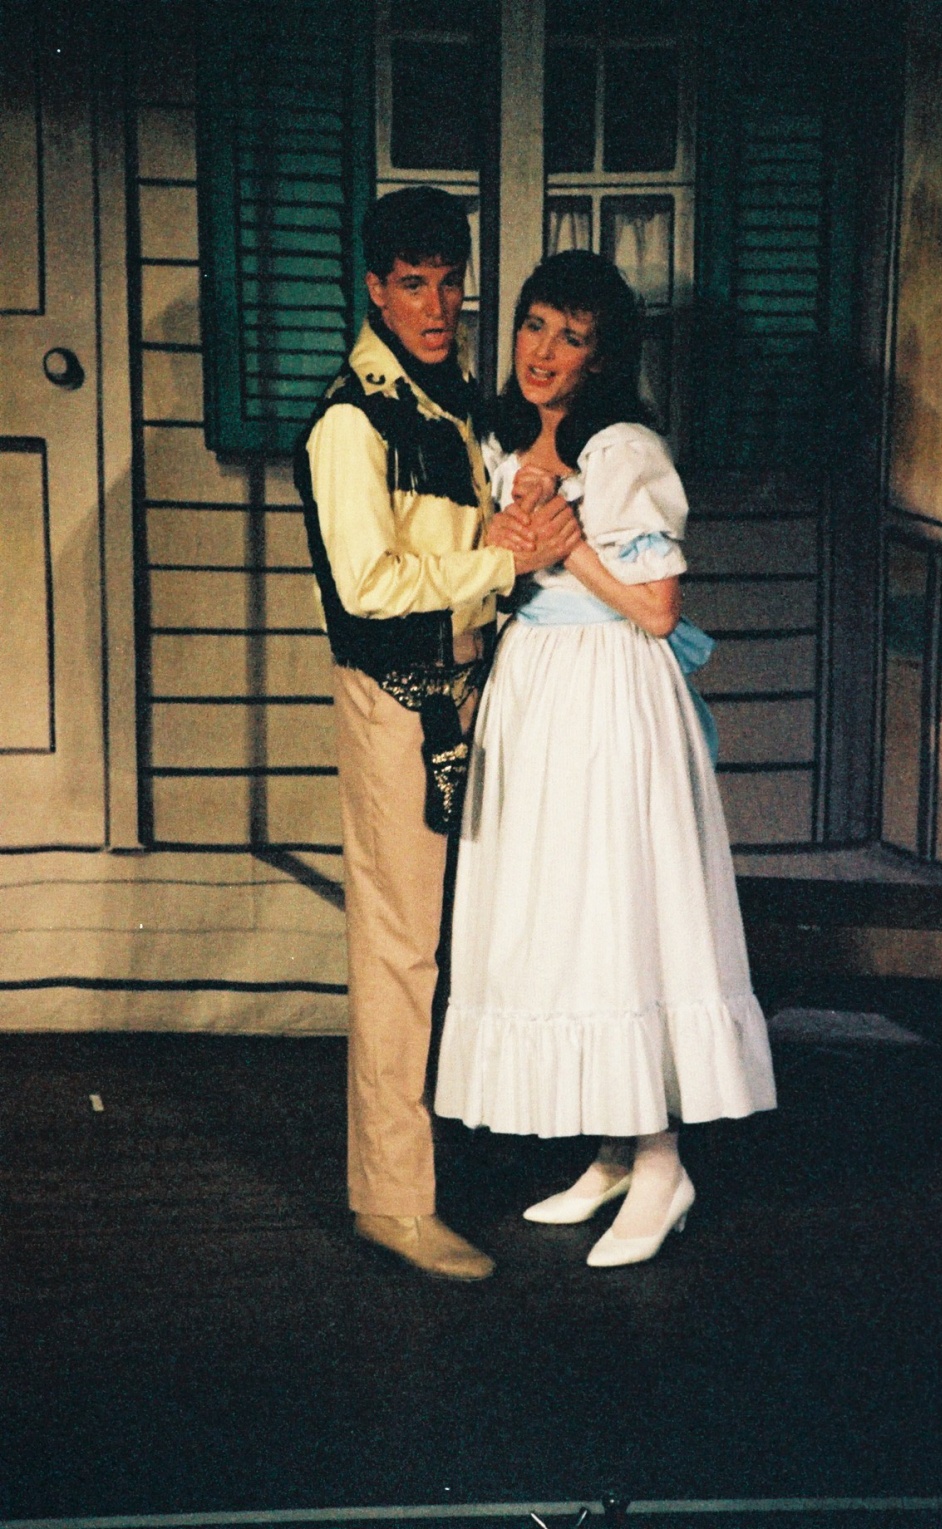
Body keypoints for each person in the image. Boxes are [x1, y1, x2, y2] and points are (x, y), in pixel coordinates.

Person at [434, 251, 777, 1268]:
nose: (544, 351)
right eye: (535, 325)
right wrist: (515, 548)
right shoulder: (499, 439)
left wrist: (567, 544)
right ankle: (616, 1149)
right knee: (562, 917)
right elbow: (502, 570)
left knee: (618, 909)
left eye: (572, 336)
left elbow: (658, 610)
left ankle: (664, 1163)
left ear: (603, 355)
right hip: (534, 686)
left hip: (607, 688)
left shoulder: (623, 450)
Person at [294, 189, 581, 1281]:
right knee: (399, 949)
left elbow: (447, 541)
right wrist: (502, 557)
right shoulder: (352, 420)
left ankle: (463, 1153)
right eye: (412, 283)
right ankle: (393, 1200)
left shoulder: (448, 400)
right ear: (375, 289)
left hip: (468, 688)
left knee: (469, 934)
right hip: (396, 700)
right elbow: (367, 584)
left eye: (449, 282)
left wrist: (499, 538)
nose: (435, 304)